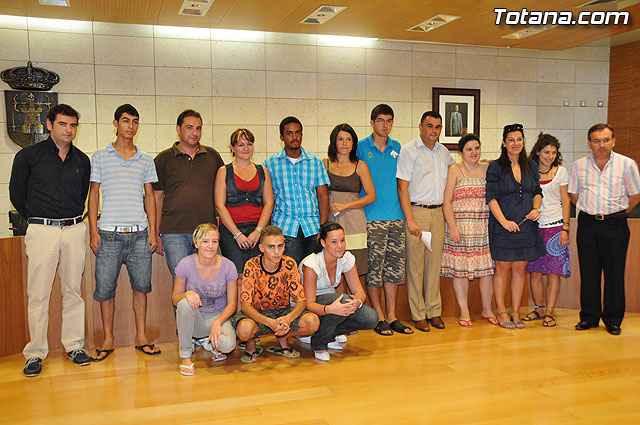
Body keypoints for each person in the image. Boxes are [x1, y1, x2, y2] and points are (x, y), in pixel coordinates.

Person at [9, 104, 91, 377]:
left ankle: (75, 345)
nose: (69, 130)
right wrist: (39, 219)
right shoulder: (28, 156)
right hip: (41, 230)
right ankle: (35, 353)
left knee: (73, 291)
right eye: (63, 124)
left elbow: (82, 196)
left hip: (73, 229)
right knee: (39, 294)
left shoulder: (82, 160)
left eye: (73, 125)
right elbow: (17, 195)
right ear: (49, 124)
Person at [88, 104, 161, 360]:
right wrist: (93, 232)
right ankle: (108, 339)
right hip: (108, 235)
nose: (131, 126)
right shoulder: (100, 157)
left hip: (140, 234)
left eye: (135, 122)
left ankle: (141, 336)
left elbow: (150, 197)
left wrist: (153, 231)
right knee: (105, 290)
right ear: (116, 123)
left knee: (141, 287)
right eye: (126, 121)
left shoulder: (146, 159)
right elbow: (93, 194)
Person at [569, 123, 640, 335]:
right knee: (589, 273)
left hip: (615, 225)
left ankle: (613, 319)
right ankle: (589, 317)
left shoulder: (627, 165)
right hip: (588, 224)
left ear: (613, 141)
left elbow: (635, 195)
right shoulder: (579, 166)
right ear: (589, 143)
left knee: (614, 274)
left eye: (606, 140)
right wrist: (591, 209)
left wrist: (616, 213)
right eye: (597, 141)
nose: (602, 145)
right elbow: (573, 194)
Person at [153, 109, 224, 312]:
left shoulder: (212, 156)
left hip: (207, 234)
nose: (194, 133)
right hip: (174, 232)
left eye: (198, 128)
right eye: (189, 128)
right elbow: (157, 198)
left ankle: (210, 333)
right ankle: (186, 337)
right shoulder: (163, 159)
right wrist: (156, 233)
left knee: (212, 283)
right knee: (182, 286)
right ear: (178, 129)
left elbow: (221, 193)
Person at [356, 104, 413, 336]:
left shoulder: (397, 147)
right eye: (380, 120)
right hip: (371, 219)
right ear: (372, 122)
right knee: (374, 271)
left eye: (389, 121)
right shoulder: (360, 147)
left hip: (397, 218)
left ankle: (392, 316)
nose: (385, 125)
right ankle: (378, 316)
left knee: (394, 271)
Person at [397, 111, 455, 332]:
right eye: (430, 126)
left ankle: (434, 311)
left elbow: (458, 169)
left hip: (438, 213)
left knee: (434, 266)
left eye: (438, 127)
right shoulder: (409, 151)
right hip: (417, 213)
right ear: (420, 126)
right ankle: (418, 314)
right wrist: (409, 220)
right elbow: (402, 187)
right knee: (415, 267)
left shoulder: (444, 152)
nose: (434, 130)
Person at [486, 124, 545, 329]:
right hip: (502, 226)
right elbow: (491, 198)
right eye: (511, 139)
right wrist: (504, 223)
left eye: (519, 139)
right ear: (504, 143)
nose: (515, 143)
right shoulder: (495, 167)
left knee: (520, 269)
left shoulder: (531, 165)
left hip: (526, 227)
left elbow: (537, 191)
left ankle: (515, 311)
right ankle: (501, 312)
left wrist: (536, 209)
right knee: (502, 269)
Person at [231, 226, 319, 362]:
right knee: (244, 330)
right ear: (261, 248)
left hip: (282, 312)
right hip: (256, 313)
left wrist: (288, 319)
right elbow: (245, 306)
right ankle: (250, 341)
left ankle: (282, 336)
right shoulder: (251, 265)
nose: (277, 252)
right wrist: (269, 322)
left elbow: (301, 301)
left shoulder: (289, 264)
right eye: (271, 247)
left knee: (312, 322)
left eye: (280, 246)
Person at [299, 222, 378, 361]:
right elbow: (308, 303)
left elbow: (359, 292)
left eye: (342, 240)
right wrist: (329, 309)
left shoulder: (347, 258)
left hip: (331, 301)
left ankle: (328, 334)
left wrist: (357, 302)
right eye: (334, 242)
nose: (340, 246)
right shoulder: (311, 264)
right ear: (323, 243)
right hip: (307, 306)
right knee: (341, 301)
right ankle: (319, 343)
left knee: (371, 318)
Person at [441, 134, 496, 327]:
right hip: (460, 228)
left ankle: (487, 309)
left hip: (483, 227)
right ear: (461, 152)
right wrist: (453, 227)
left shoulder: (488, 169)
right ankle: (464, 311)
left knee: (487, 271)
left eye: (477, 148)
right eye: (469, 149)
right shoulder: (454, 170)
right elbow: (446, 201)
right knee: (460, 271)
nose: (473, 152)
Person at [172, 223, 237, 376]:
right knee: (184, 303)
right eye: (205, 241)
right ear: (196, 243)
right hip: (196, 319)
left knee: (228, 346)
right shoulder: (185, 264)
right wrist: (187, 294)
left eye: (214, 241)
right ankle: (186, 356)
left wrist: (218, 322)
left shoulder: (228, 266)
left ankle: (207, 342)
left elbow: (233, 304)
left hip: (218, 316)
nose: (210, 246)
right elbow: (175, 299)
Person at [214, 128, 274, 294]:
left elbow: (269, 204)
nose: (246, 148)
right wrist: (237, 234)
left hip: (257, 230)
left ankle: (257, 318)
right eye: (241, 144)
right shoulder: (223, 171)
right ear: (232, 148)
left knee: (258, 275)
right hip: (232, 231)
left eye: (249, 143)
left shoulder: (263, 171)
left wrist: (258, 231)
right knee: (237, 276)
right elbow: (219, 205)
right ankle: (240, 319)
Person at [263, 116, 330, 265]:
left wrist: (323, 228)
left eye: (298, 132)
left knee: (314, 274)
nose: (294, 137)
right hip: (285, 229)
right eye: (289, 133)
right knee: (290, 273)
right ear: (282, 137)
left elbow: (323, 197)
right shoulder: (270, 164)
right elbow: (267, 200)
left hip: (312, 228)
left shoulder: (315, 163)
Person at [524, 133, 571, 327]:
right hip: (533, 229)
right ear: (537, 152)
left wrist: (565, 228)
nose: (549, 156)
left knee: (553, 273)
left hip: (555, 228)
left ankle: (550, 312)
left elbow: (566, 200)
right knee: (534, 272)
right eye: (546, 152)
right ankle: (538, 308)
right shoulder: (528, 170)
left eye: (553, 152)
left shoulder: (561, 172)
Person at [323, 123, 375, 285]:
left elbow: (371, 196)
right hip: (331, 222)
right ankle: (338, 308)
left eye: (348, 139)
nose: (344, 143)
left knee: (356, 270)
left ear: (353, 143)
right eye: (340, 139)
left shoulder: (360, 166)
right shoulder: (324, 164)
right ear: (334, 142)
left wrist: (345, 205)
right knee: (334, 271)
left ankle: (357, 308)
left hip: (354, 222)